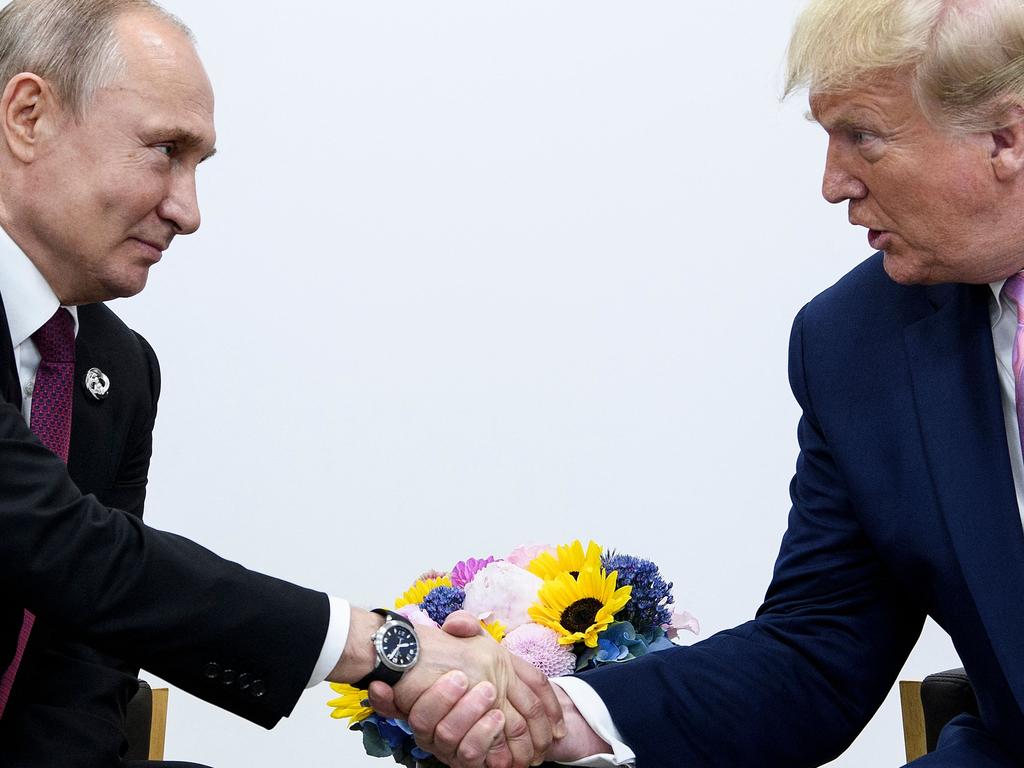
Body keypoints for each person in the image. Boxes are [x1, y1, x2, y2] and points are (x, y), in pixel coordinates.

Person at [379, 0, 1024, 765]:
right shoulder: (856, 343)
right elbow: (818, 651)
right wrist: (557, 713)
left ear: (1005, 139)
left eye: (863, 137)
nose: (832, 184)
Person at [0, 1, 563, 766]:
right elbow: (65, 546)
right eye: (165, 150)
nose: (188, 211)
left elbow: (81, 662)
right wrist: (385, 646)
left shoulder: (117, 368)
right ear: (28, 115)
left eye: (199, 165)